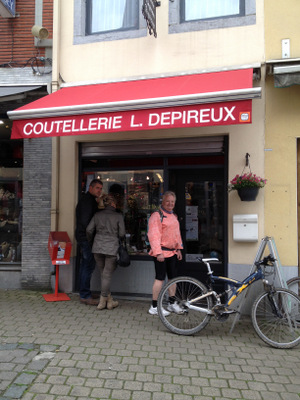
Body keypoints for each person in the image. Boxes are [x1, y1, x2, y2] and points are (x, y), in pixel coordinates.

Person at [86, 193, 126, 310]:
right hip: (111, 247)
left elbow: (89, 230)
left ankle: (109, 300)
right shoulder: (118, 216)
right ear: (113, 203)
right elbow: (122, 234)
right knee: (107, 275)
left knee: (103, 274)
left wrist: (91, 241)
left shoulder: (97, 215)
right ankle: (103, 300)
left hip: (97, 247)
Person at [147, 191, 183, 316]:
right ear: (163, 202)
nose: (170, 204)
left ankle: (172, 304)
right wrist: (158, 253)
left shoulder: (174, 216)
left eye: (172, 202)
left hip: (172, 253)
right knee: (160, 278)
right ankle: (154, 306)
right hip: (161, 253)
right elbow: (153, 235)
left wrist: (178, 249)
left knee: (173, 279)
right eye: (168, 201)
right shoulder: (156, 215)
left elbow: (176, 234)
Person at [75, 178, 103, 305]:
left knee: (85, 266)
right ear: (90, 188)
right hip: (86, 239)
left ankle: (85, 292)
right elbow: (87, 223)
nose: (99, 191)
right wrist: (90, 239)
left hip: (84, 238)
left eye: (101, 189)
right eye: (97, 188)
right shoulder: (88, 201)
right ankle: (85, 296)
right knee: (88, 265)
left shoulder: (89, 200)